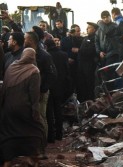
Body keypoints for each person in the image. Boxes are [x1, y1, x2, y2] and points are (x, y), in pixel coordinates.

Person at [0, 48, 45, 167]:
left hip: (8, 108)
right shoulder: (33, 70)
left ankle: (8, 160)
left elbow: (4, 86)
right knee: (36, 130)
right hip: (24, 108)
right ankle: (33, 156)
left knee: (10, 134)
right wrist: (35, 112)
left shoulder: (12, 67)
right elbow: (34, 94)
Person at [24, 31, 57, 159]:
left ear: (31, 40)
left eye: (25, 38)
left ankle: (42, 148)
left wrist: (43, 89)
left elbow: (52, 74)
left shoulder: (44, 55)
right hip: (29, 92)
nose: (24, 40)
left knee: (41, 118)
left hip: (40, 92)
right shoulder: (25, 53)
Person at [44, 39, 70, 143]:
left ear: (46, 46)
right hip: (60, 86)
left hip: (49, 86)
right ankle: (59, 134)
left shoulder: (46, 56)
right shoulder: (63, 54)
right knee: (58, 110)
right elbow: (67, 71)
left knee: (49, 112)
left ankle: (50, 136)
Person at [95, 10, 119, 91]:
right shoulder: (99, 29)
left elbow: (107, 31)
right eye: (103, 18)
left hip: (112, 54)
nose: (105, 19)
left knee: (110, 75)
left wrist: (100, 23)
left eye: (107, 17)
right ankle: (108, 93)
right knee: (105, 75)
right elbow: (96, 41)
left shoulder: (114, 26)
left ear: (110, 16)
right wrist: (99, 52)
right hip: (104, 55)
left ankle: (111, 93)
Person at [77, 22, 98, 102]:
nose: (87, 29)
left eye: (89, 27)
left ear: (94, 29)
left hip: (89, 65)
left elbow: (91, 51)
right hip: (82, 65)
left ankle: (90, 101)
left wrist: (79, 50)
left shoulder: (95, 38)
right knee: (82, 84)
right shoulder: (85, 38)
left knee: (89, 84)